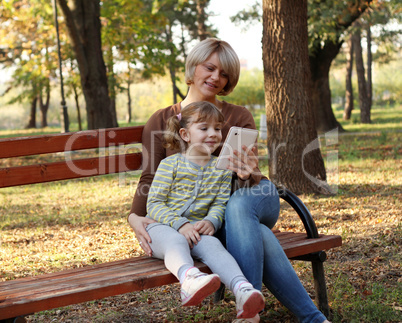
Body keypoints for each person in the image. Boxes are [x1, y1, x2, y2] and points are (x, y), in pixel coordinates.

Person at [128, 38, 330, 323]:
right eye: (209, 68)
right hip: (211, 220)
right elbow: (150, 176)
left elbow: (251, 175)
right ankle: (312, 319)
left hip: (253, 195)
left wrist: (249, 171)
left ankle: (248, 314)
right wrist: (135, 217)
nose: (216, 78)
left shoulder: (238, 115)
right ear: (193, 67)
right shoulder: (162, 120)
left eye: (224, 74)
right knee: (259, 236)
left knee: (238, 205)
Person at [145, 101, 265, 319]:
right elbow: (154, 204)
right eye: (204, 128)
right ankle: (189, 279)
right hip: (160, 229)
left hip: (197, 232)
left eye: (217, 129)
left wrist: (211, 221)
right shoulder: (170, 165)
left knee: (215, 246)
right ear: (185, 134)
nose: (213, 134)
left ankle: (242, 290)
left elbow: (220, 203)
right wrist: (180, 224)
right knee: (176, 240)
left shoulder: (221, 169)